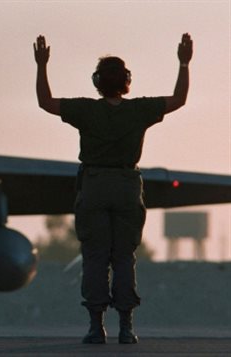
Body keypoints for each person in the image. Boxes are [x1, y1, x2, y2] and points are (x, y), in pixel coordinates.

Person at [33, 33, 193, 344]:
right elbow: (179, 99)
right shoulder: (139, 110)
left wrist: (41, 66)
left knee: (94, 257)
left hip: (94, 186)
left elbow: (45, 103)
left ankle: (96, 326)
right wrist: (184, 63)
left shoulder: (86, 110)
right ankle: (127, 326)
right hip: (127, 187)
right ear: (126, 80)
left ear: (97, 81)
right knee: (123, 257)